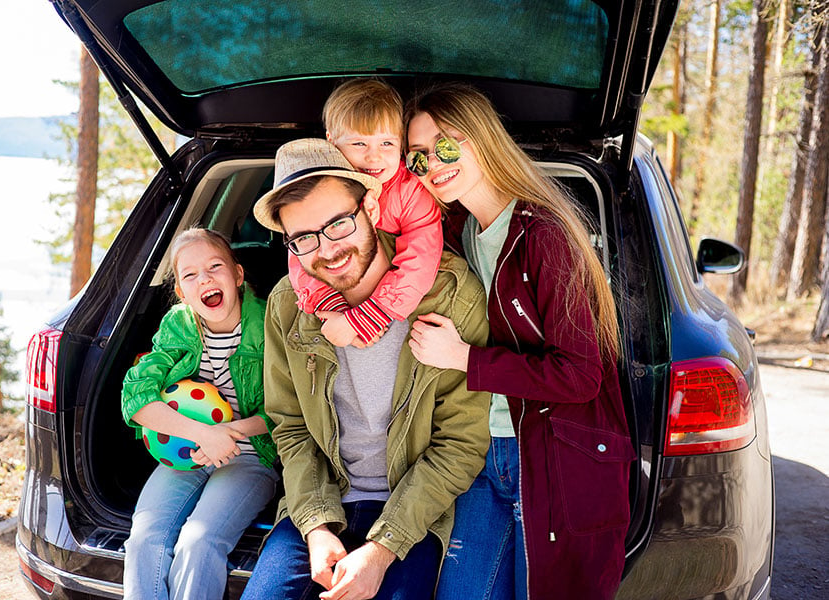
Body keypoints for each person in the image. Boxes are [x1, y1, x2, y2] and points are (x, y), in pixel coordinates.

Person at [405, 83, 635, 600]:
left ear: (482, 137)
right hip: (483, 453)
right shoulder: (461, 232)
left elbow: (580, 375)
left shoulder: (544, 235)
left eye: (445, 144)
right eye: (418, 158)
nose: (433, 166)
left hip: (551, 458)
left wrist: (464, 359)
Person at [241, 138, 490, 600]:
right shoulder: (287, 306)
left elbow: (461, 443)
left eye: (338, 223)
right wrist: (315, 526)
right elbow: (291, 428)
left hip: (411, 511)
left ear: (371, 207)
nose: (327, 250)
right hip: (320, 504)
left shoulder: (451, 294)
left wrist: (381, 547)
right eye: (304, 238)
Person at [120, 228, 279, 600]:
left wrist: (227, 433)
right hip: (186, 453)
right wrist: (201, 434)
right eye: (189, 275)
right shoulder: (178, 325)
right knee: (144, 538)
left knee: (198, 540)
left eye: (214, 266)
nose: (204, 279)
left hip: (251, 454)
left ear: (238, 275)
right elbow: (135, 395)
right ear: (181, 292)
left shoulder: (270, 322)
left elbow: (288, 410)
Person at [287, 78, 443, 347]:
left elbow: (422, 259)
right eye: (359, 144)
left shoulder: (411, 192)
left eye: (386, 144)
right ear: (331, 142)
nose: (374, 157)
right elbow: (301, 256)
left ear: (402, 146)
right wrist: (335, 309)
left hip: (399, 313)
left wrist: (369, 316)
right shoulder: (317, 193)